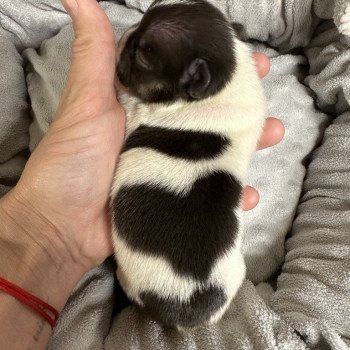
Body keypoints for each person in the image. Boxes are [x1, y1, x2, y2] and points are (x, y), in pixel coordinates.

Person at [0, 0, 284, 348]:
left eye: (145, 53)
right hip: (219, 292)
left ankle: (134, 281)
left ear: (196, 79)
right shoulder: (246, 102)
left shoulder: (181, 107)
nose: (127, 37)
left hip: (148, 285)